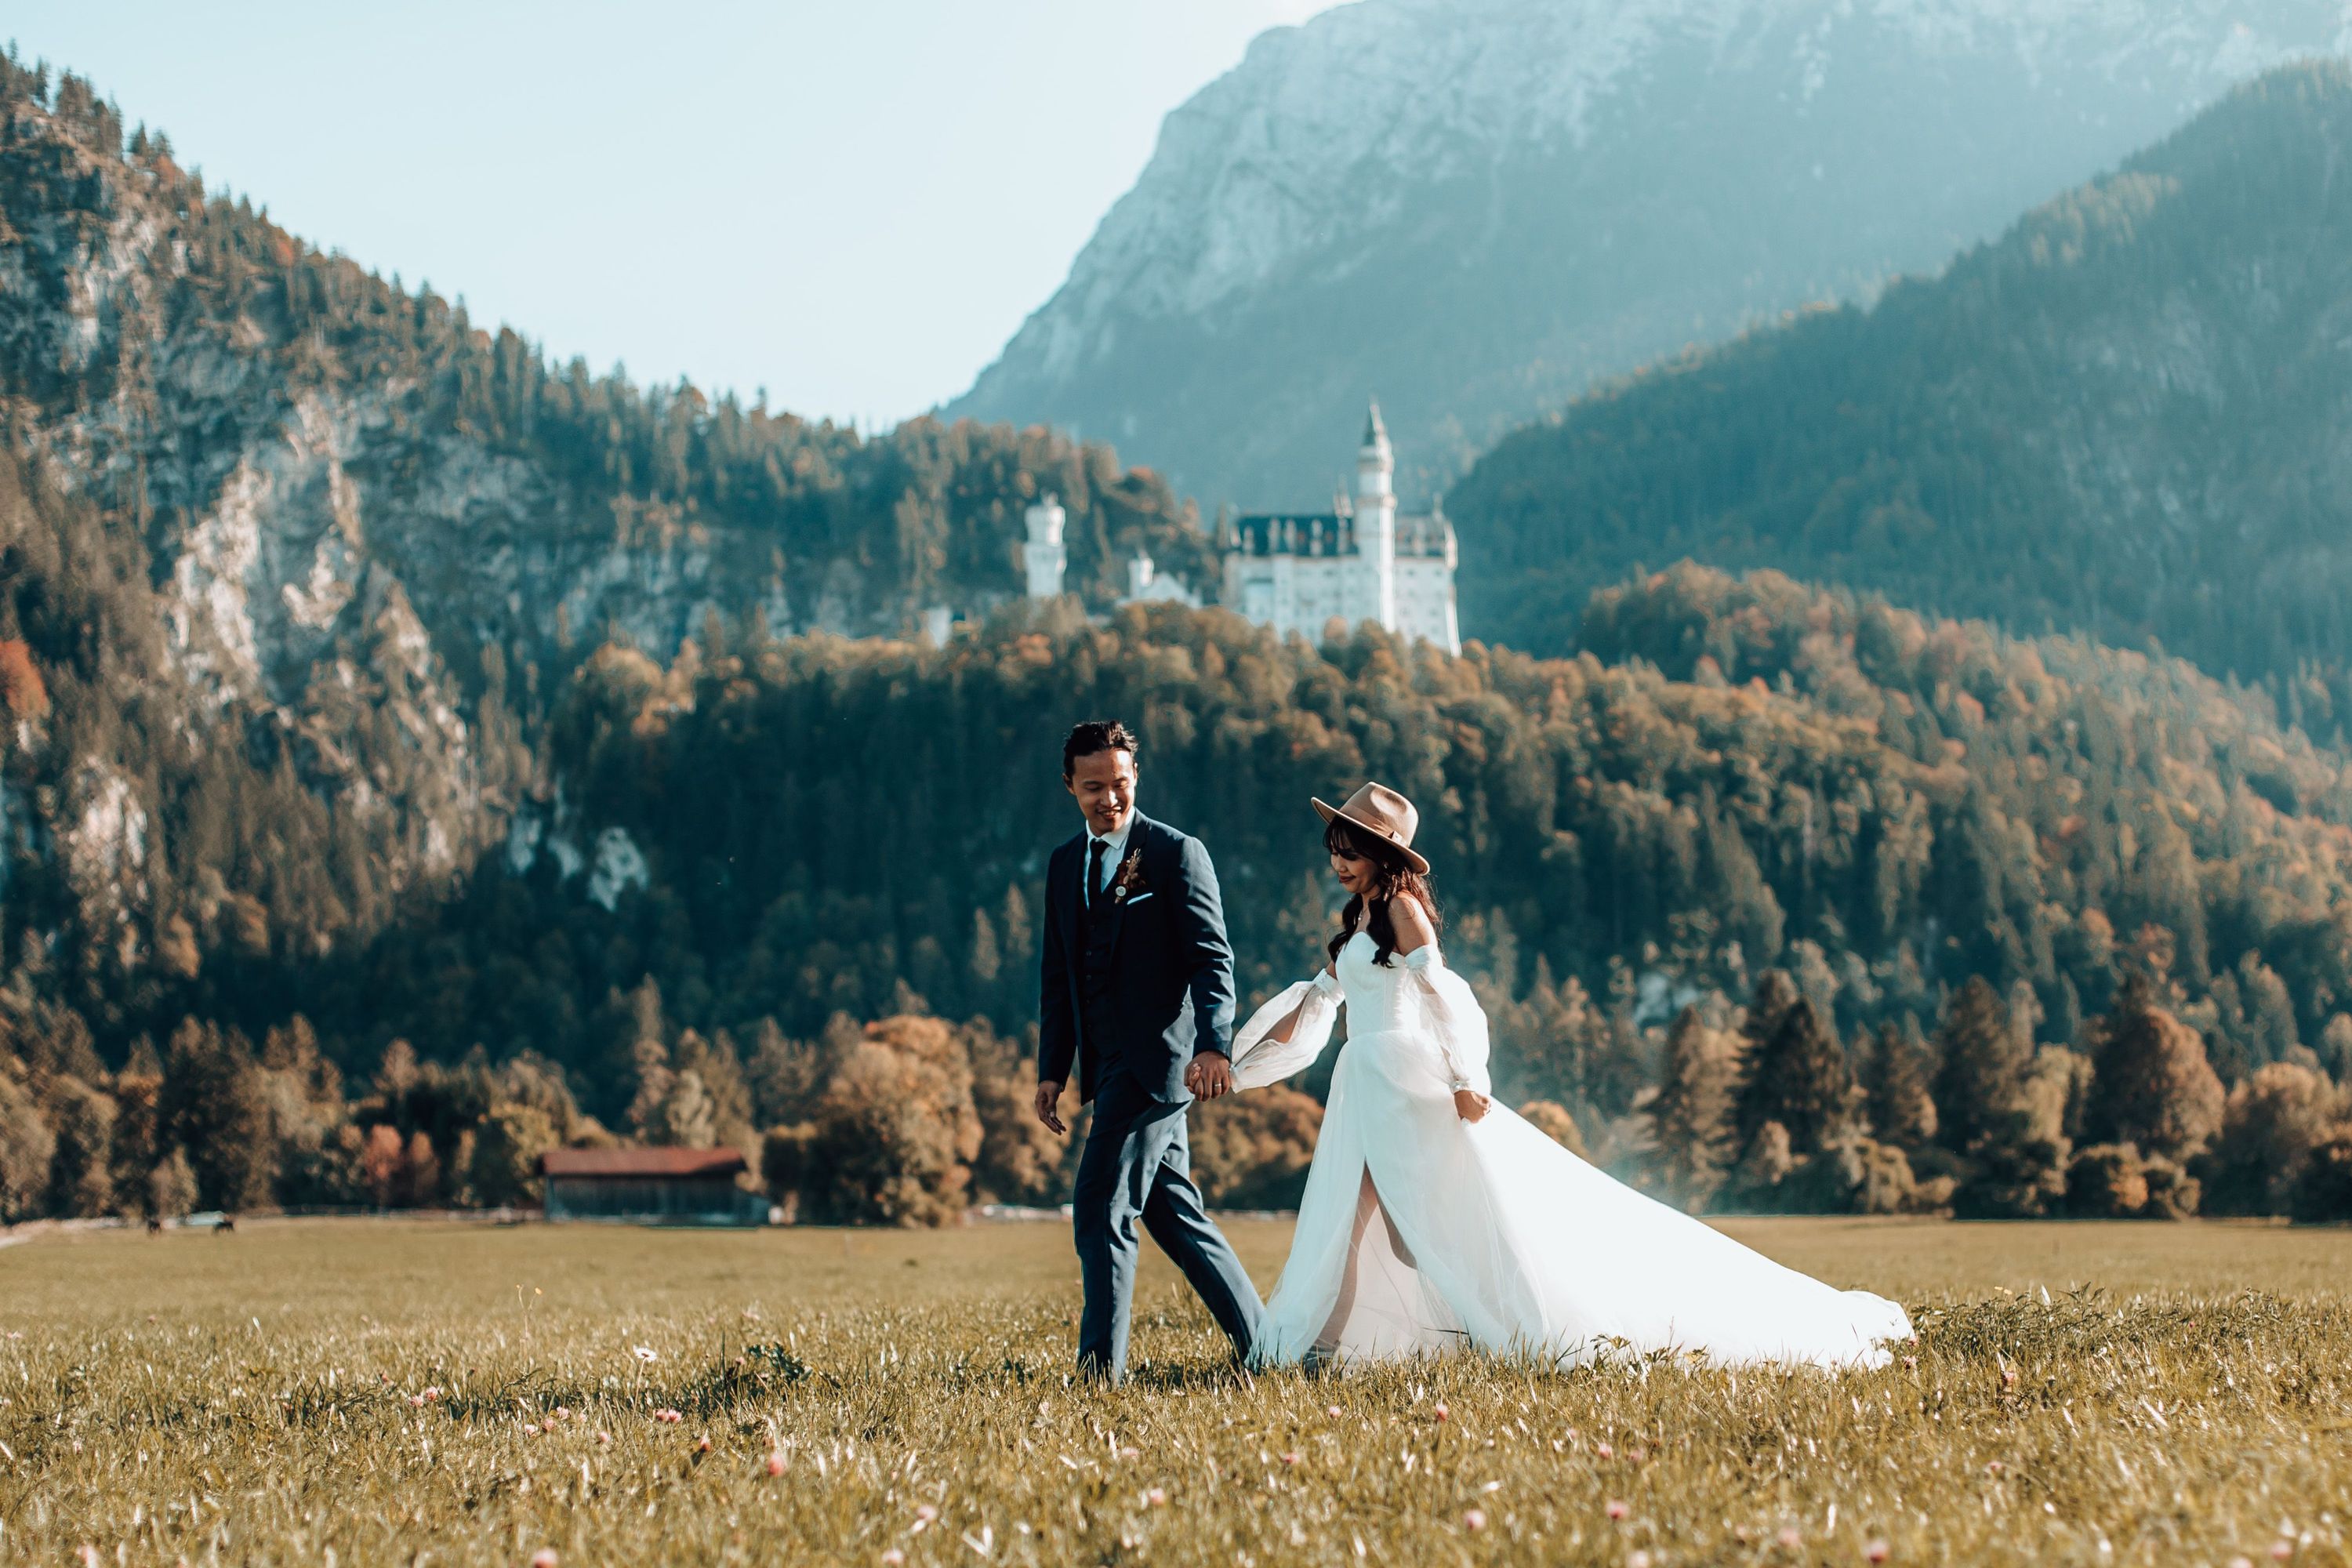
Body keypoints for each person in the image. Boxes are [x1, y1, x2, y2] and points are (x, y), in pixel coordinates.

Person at [1231, 782, 1914, 1371]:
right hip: (1367, 1085)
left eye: (1349, 849)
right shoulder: (1359, 923)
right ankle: (1323, 1345)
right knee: (1356, 1215)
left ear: (1383, 853)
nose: (1338, 861)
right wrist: (1237, 1067)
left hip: (1406, 1084)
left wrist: (1470, 1076)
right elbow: (1319, 1002)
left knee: (1425, 1223)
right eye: (1335, 849)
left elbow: (1441, 992)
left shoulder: (1403, 911)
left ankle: (1457, 1332)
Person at [1034, 720, 1263, 1383]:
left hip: (1161, 1063)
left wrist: (1215, 1046)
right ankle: (1267, 1346)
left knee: (1100, 1208)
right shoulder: (1060, 866)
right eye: (1094, 787)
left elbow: (1211, 960)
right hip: (1104, 1068)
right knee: (1174, 1215)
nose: (1109, 799)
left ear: (1137, 777)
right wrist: (1053, 1070)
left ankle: (1099, 1376)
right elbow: (1058, 975)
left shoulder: (1176, 854)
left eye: (1121, 784)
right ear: (1071, 786)